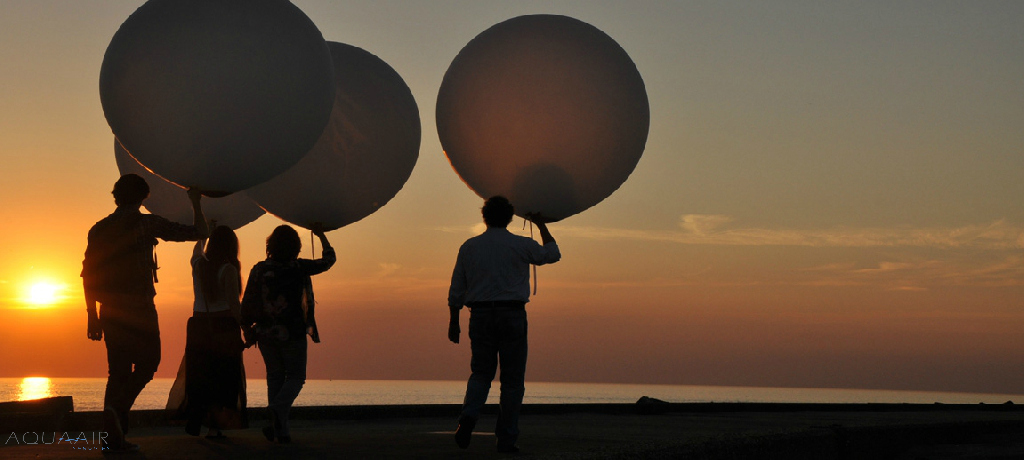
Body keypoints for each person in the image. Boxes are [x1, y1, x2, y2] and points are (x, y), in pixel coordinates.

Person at [82, 173, 208, 452]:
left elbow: (88, 275)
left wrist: (91, 315)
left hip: (110, 310)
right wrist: (195, 202)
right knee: (149, 364)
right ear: (142, 197)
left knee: (117, 371)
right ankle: (117, 412)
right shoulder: (146, 223)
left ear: (116, 196)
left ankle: (113, 437)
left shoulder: (98, 229)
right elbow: (199, 233)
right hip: (139, 308)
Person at [448, 195, 561, 453]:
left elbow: (457, 288)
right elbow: (553, 254)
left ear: (484, 216)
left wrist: (453, 322)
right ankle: (507, 439)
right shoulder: (521, 245)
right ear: (510, 217)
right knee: (512, 381)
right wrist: (541, 224)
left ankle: (468, 417)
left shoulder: (469, 247)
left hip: (480, 315)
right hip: (512, 314)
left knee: (481, 373)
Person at [241, 224, 336, 444]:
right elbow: (329, 260)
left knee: (275, 377)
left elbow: (247, 303)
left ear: (270, 245)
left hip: (265, 333)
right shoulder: (298, 267)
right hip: (291, 333)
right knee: (296, 377)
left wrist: (247, 330)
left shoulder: (259, 269)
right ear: (296, 246)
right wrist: (321, 235)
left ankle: (280, 432)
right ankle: (276, 410)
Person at [176, 225, 251, 438]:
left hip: (198, 327)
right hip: (223, 327)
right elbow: (234, 306)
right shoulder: (228, 269)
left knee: (201, 376)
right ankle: (214, 427)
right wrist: (246, 329)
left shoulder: (198, 265)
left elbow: (196, 251)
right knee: (224, 378)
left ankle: (197, 416)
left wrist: (204, 231)